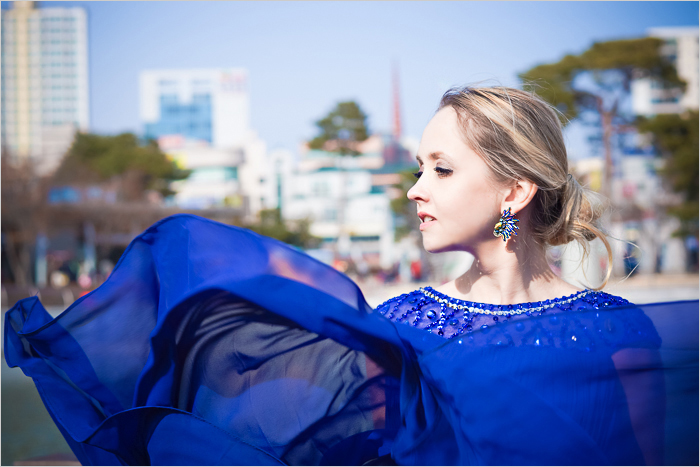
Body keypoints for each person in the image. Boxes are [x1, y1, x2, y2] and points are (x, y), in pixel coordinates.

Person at [5, 86, 698, 466]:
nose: (416, 189)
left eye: (442, 169)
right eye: (419, 167)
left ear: (514, 192)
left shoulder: (622, 333)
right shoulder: (401, 329)